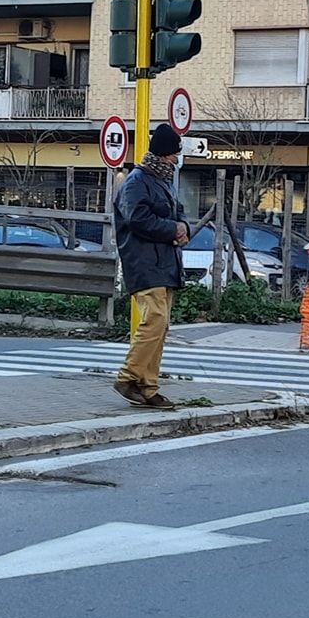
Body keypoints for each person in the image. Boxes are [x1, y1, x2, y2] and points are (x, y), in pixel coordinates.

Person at [113, 123, 189, 408]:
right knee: (155, 320)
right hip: (144, 262)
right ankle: (128, 377)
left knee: (160, 325)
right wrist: (173, 230)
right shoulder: (137, 182)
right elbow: (137, 219)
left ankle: (147, 387)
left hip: (163, 263)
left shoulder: (160, 181)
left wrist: (183, 229)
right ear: (164, 154)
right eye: (174, 154)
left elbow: (177, 213)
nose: (176, 160)